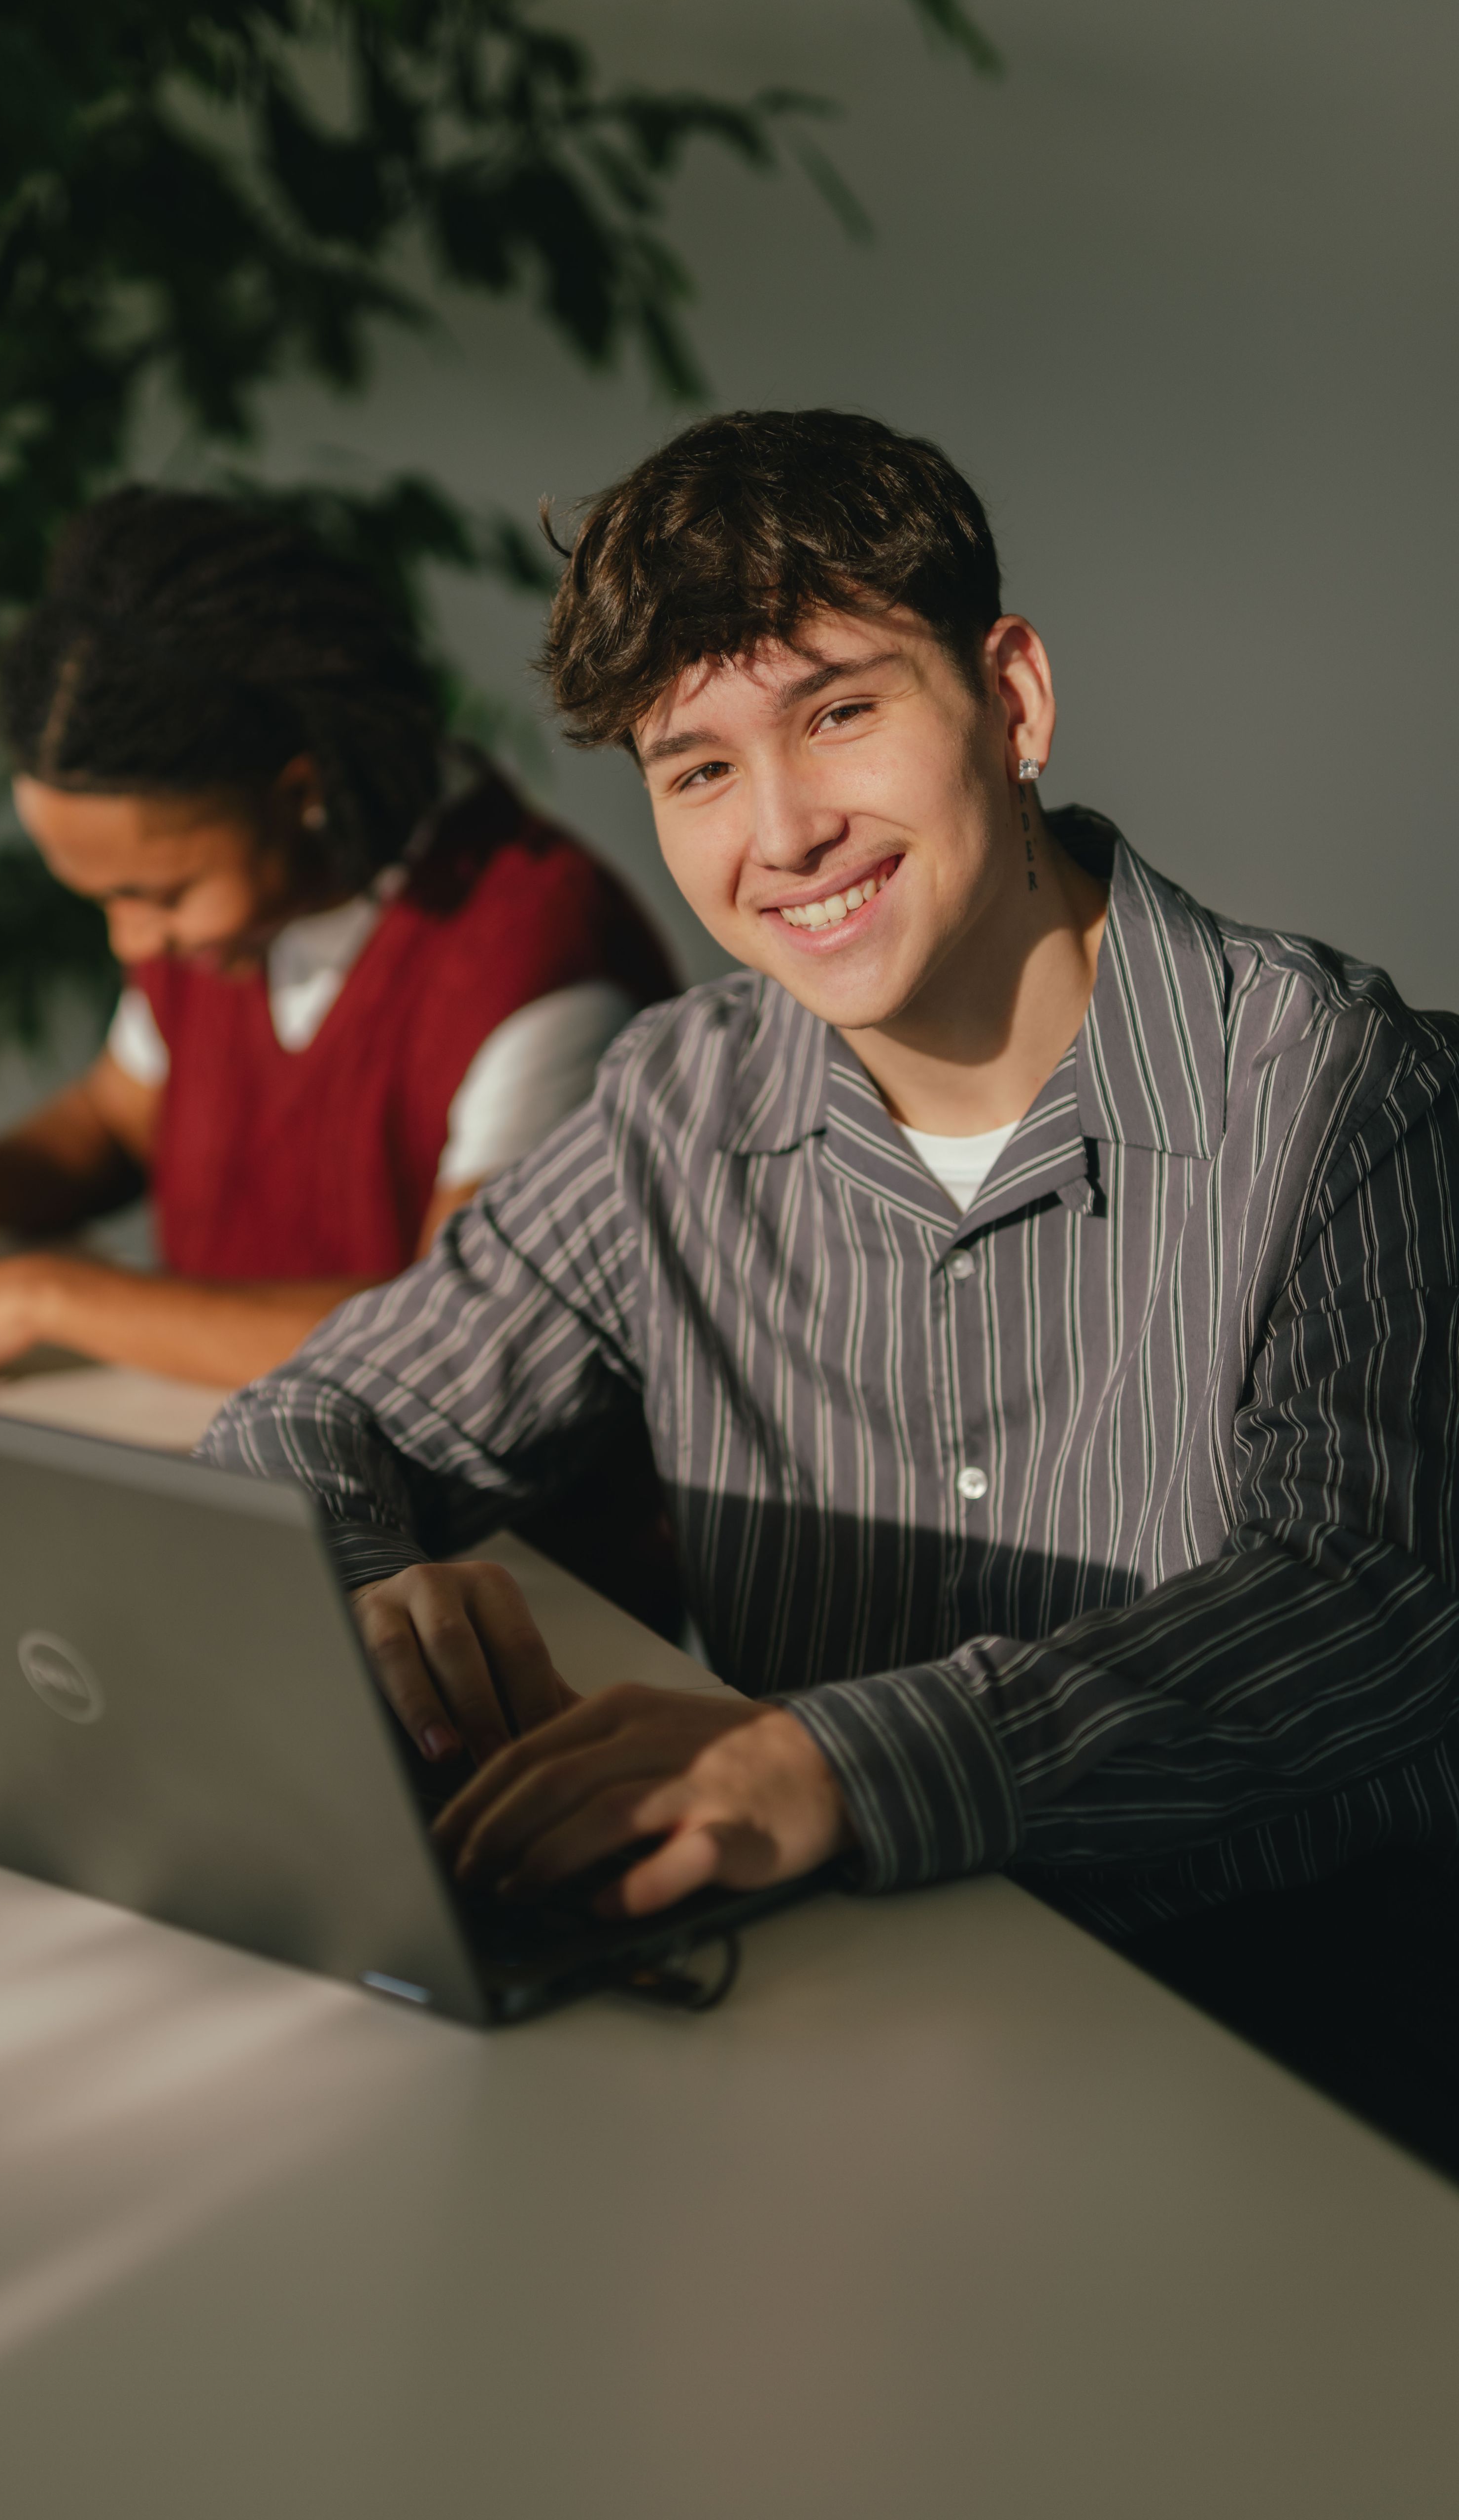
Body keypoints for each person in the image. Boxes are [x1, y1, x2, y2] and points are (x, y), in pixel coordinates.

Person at [199, 408, 1459, 2171]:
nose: (782, 831)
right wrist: (362, 1572)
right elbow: (313, 1416)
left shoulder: (1340, 1087)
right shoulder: (677, 1100)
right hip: (844, 2013)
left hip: (1286, 2025)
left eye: (837, 712)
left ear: (1011, 699)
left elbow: (1372, 1608)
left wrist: (844, 1763)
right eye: (697, 767)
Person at [0, 490, 677, 1394]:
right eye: (102, 900)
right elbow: (116, 1124)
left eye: (156, 895)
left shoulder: (535, 960)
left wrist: (39, 1296)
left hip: (502, 1538)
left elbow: (462, 1337)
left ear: (297, 794)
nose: (133, 944)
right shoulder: (239, 917)